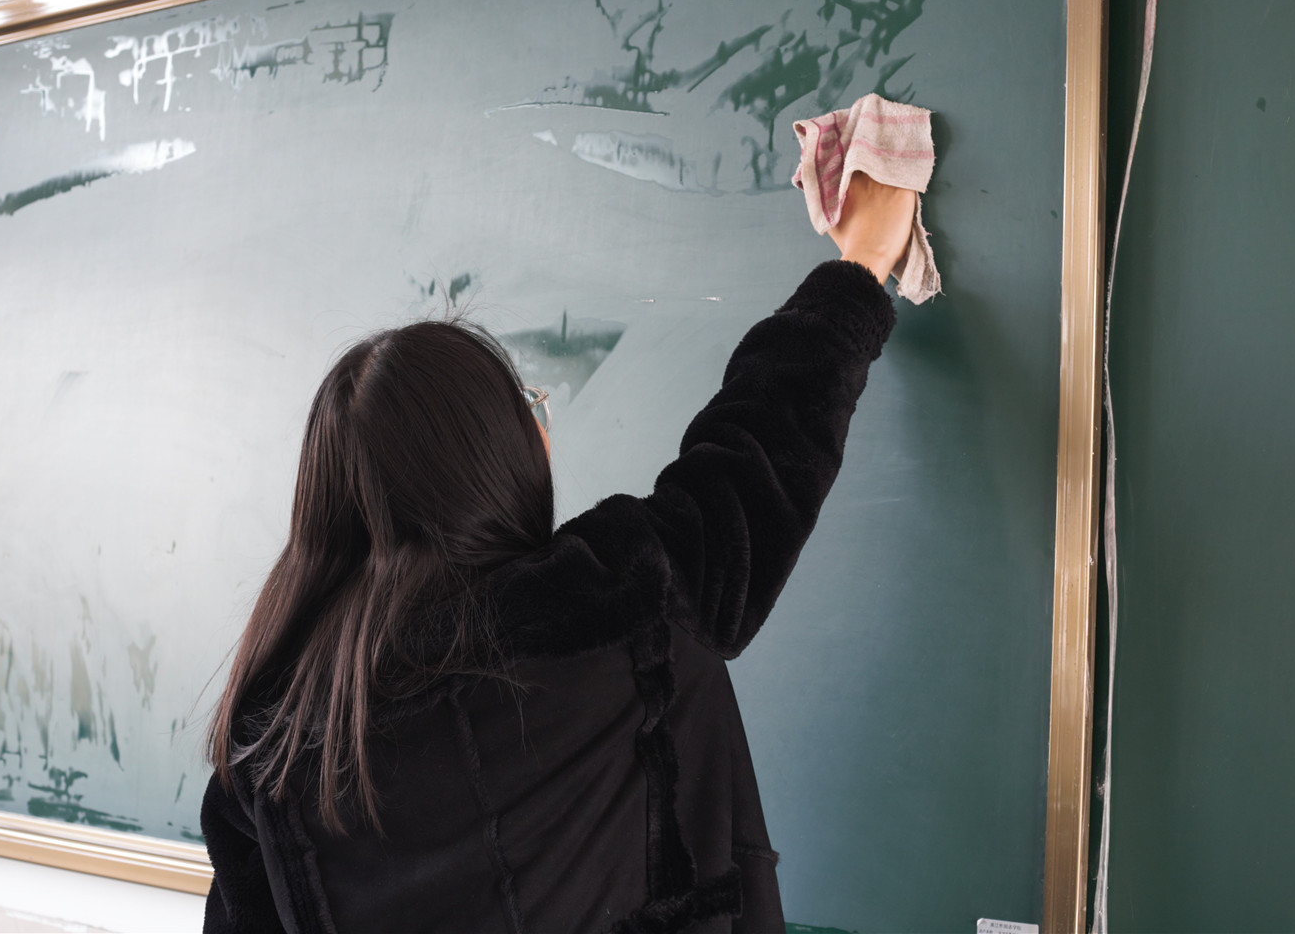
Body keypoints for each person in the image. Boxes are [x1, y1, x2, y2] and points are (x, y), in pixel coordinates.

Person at [202, 174, 918, 933]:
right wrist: (862, 261)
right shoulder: (624, 603)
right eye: (528, 409)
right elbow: (762, 446)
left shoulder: (272, 748)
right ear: (502, 461)